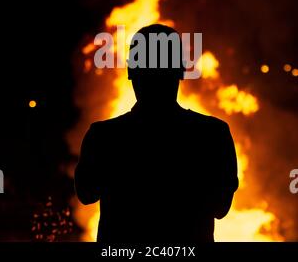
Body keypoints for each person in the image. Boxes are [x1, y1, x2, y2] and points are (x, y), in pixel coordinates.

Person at [75, 24, 238, 243]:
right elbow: (221, 207)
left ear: (132, 72)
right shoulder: (212, 133)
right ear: (180, 72)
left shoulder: (104, 135)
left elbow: (86, 194)